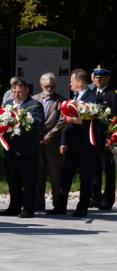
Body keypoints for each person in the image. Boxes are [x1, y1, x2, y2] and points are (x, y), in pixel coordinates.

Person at [52, 69, 101, 217]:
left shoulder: (93, 99)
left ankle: (82, 207)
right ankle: (60, 206)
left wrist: (80, 121)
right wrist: (62, 141)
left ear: (80, 82)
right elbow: (65, 122)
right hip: (71, 145)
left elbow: (98, 123)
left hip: (86, 146)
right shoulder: (72, 98)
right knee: (65, 176)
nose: (70, 83)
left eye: (72, 81)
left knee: (85, 178)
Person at [0, 79, 44, 218]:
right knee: (13, 181)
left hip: (28, 151)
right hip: (11, 149)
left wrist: (21, 120)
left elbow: (38, 124)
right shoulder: (8, 104)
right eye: (14, 92)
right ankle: (14, 206)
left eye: (19, 92)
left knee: (28, 182)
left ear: (26, 91)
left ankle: (29, 208)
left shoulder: (34, 105)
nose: (16, 95)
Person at [31, 73, 66, 212]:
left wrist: (48, 137)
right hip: (36, 142)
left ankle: (58, 204)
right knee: (38, 174)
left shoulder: (61, 101)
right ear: (41, 85)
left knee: (55, 175)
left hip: (53, 144)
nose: (50, 88)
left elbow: (62, 121)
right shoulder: (33, 99)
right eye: (47, 86)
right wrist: (38, 136)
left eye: (52, 86)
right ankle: (39, 203)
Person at [90, 66, 117, 210]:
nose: (98, 80)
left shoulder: (112, 94)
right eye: (96, 77)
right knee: (94, 168)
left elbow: (114, 118)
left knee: (107, 168)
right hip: (92, 136)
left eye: (102, 78)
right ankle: (95, 197)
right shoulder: (91, 93)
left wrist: (109, 138)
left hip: (105, 136)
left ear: (107, 78)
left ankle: (107, 199)